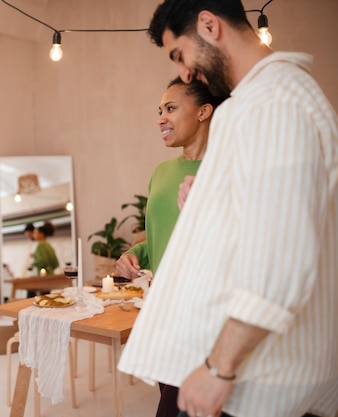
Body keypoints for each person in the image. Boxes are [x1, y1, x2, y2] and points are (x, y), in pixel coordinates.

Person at [117, 1, 338, 417]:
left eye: (180, 55)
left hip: (259, 379)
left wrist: (218, 368)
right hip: (247, 368)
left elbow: (279, 261)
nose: (184, 74)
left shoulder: (273, 104)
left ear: (209, 25)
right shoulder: (258, 104)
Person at [116, 76, 225, 417]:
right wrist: (136, 254)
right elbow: (162, 232)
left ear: (205, 111)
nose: (161, 117)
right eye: (159, 110)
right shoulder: (162, 172)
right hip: (161, 311)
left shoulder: (227, 171)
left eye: (171, 108)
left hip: (206, 318)